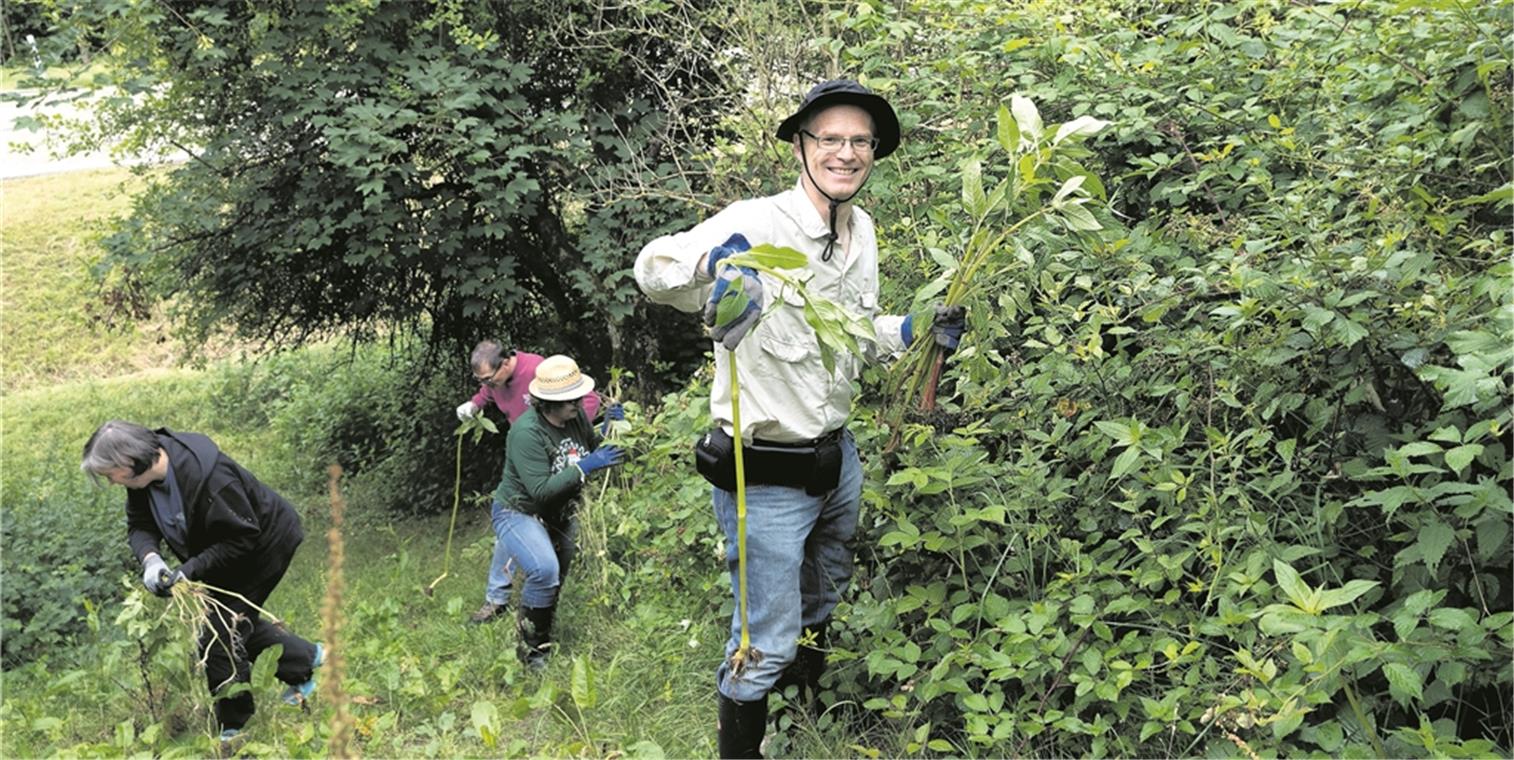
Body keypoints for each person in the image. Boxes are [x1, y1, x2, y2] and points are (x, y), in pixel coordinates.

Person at [634, 79, 965, 757]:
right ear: (801, 146)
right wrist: (713, 262)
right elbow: (652, 267)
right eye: (831, 139)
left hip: (835, 460)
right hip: (764, 472)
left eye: (860, 142)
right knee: (763, 640)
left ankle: (801, 716)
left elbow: (855, 331)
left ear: (874, 152)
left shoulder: (861, 232)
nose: (846, 153)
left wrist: (912, 329)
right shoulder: (756, 222)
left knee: (824, 599)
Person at [81, 420, 323, 743]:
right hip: (226, 552)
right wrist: (151, 559)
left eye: (109, 474)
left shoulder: (210, 478)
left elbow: (242, 537)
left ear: (128, 463)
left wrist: (189, 569)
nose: (110, 482)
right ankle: (308, 659)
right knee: (233, 622)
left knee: (218, 635)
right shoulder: (140, 481)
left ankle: (233, 728)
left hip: (264, 545)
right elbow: (139, 525)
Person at [455, 340, 612, 624]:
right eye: (482, 381)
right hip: (530, 462)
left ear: (505, 363)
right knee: (533, 551)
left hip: (553, 469)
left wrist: (577, 430)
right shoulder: (515, 409)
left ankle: (538, 620)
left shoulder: (542, 371)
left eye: (488, 379)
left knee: (552, 566)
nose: (487, 385)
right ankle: (504, 606)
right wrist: (474, 404)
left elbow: (588, 405)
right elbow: (538, 490)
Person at [489, 354, 626, 669]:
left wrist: (608, 426)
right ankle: (532, 654)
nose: (578, 403)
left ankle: (539, 632)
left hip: (559, 512)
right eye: (570, 399)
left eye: (578, 397)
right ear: (547, 402)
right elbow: (540, 490)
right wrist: (583, 468)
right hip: (519, 511)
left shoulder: (575, 416)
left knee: (553, 579)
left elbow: (590, 445)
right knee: (544, 570)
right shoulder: (526, 433)